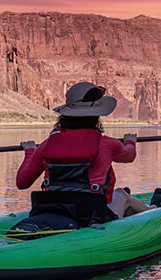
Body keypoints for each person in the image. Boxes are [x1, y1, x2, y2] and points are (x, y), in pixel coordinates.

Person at [15, 82, 150, 230]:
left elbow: (22, 183)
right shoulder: (107, 144)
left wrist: (30, 152)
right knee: (121, 194)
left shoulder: (46, 145)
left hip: (54, 210)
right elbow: (129, 156)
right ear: (96, 116)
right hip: (93, 218)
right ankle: (154, 210)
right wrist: (130, 141)